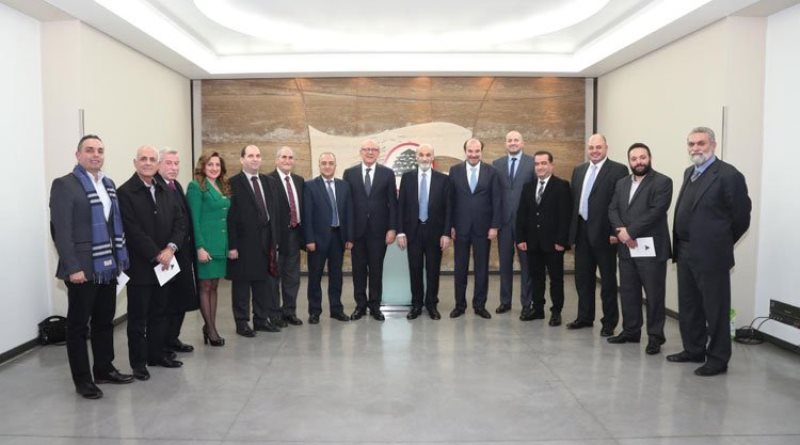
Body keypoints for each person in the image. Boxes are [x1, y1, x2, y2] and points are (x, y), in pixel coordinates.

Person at [49, 134, 134, 399]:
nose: (95, 154)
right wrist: (73, 266)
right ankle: (83, 380)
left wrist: (119, 259)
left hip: (107, 266)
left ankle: (104, 369)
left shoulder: (108, 184)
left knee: (104, 321)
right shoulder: (64, 184)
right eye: (89, 150)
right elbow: (61, 231)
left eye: (99, 150)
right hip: (83, 269)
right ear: (78, 155)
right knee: (78, 327)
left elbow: (113, 225)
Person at [668, 127, 751, 376]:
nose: (695, 148)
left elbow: (741, 218)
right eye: (691, 144)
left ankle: (718, 358)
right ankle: (694, 349)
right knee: (689, 305)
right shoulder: (689, 172)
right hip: (685, 251)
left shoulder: (728, 175)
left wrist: (720, 243)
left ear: (713, 145)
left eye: (701, 143)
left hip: (711, 255)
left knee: (715, 308)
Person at [118, 145, 187, 381]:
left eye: (152, 159)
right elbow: (132, 231)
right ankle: (138, 363)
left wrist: (171, 248)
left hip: (166, 265)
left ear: (157, 164)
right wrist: (158, 254)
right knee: (138, 319)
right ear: (135, 163)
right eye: (143, 159)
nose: (148, 163)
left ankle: (156, 355)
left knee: (161, 313)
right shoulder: (125, 192)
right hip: (141, 267)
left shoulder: (165, 189)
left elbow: (180, 222)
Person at [607, 143, 672, 354]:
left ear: (650, 158)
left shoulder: (662, 182)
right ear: (629, 161)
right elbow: (612, 209)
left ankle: (655, 337)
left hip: (651, 249)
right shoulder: (621, 183)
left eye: (642, 157)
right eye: (634, 159)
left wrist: (630, 232)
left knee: (654, 295)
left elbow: (656, 211)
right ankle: (631, 331)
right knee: (628, 292)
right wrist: (621, 232)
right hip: (626, 248)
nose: (638, 162)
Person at [567, 133, 628, 336]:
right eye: (591, 147)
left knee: (608, 281)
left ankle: (609, 322)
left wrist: (615, 231)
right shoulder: (579, 170)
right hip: (581, 233)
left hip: (605, 234)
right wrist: (572, 234)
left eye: (598, 147)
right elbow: (574, 203)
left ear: (606, 148)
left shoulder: (618, 170)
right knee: (583, 279)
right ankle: (584, 317)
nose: (594, 151)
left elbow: (620, 203)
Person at [227, 144, 283, 337]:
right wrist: (232, 246)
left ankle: (261, 320)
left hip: (266, 241)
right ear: (242, 159)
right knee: (242, 285)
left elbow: (274, 213)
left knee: (263, 284)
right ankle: (242, 323)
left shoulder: (269, 182)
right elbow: (230, 218)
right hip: (242, 243)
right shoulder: (232, 183)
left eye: (258, 155)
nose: (255, 159)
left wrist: (275, 240)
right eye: (250, 155)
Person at [343, 139, 398, 321]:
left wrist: (392, 228)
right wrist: (348, 234)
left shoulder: (387, 174)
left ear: (378, 153)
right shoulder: (349, 173)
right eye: (366, 149)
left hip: (379, 232)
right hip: (356, 232)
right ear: (361, 152)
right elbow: (346, 205)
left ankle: (375, 306)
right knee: (358, 271)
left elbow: (393, 203)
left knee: (376, 270)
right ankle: (360, 305)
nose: (370, 152)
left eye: (373, 149)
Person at [515, 151, 572, 326]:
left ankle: (556, 312)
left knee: (556, 279)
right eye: (537, 164)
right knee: (536, 278)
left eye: (544, 163)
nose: (540, 167)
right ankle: (538, 309)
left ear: (551, 165)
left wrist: (562, 241)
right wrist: (520, 238)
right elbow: (522, 215)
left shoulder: (562, 186)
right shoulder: (528, 187)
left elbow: (565, 216)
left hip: (554, 244)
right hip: (532, 243)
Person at [448, 138, 502, 319]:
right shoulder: (454, 171)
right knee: (460, 268)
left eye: (477, 151)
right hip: (460, 228)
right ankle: (459, 305)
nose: (473, 154)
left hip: (483, 229)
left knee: (482, 269)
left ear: (481, 152)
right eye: (470, 151)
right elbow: (450, 200)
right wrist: (450, 226)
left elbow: (497, 200)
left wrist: (494, 226)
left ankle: (479, 305)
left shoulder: (492, 172)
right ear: (465, 151)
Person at [397, 144, 451, 320]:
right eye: (421, 154)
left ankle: (431, 304)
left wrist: (446, 233)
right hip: (413, 232)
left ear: (433, 157)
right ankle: (416, 305)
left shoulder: (443, 179)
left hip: (435, 233)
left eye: (428, 155)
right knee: (415, 269)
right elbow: (401, 205)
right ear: (416, 157)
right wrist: (400, 232)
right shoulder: (407, 178)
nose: (425, 158)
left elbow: (448, 209)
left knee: (433, 270)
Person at [155, 149, 198, 355]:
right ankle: (161, 344)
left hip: (181, 254)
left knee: (181, 300)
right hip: (166, 256)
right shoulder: (156, 187)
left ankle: (172, 338)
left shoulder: (176, 186)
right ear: (159, 165)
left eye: (176, 163)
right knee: (166, 303)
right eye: (169, 163)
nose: (174, 167)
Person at [185, 152, 231, 346]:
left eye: (217, 165)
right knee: (205, 287)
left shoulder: (223, 186)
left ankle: (209, 325)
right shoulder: (196, 187)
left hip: (220, 245)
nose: (214, 168)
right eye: (210, 164)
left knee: (214, 286)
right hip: (205, 245)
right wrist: (199, 247)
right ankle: (211, 330)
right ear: (203, 166)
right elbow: (193, 220)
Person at [303, 152, 354, 323]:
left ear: (335, 166)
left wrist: (349, 237)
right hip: (317, 240)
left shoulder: (344, 186)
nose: (327, 166)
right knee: (315, 276)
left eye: (330, 163)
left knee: (336, 276)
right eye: (324, 163)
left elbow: (349, 213)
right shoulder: (310, 186)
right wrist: (309, 239)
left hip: (338, 237)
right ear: (319, 165)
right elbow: (307, 215)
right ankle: (314, 311)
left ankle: (336, 309)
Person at [493, 131, 534, 317]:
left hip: (525, 224)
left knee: (527, 265)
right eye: (509, 140)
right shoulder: (497, 164)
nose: (513, 143)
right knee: (505, 264)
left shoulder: (532, 163)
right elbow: (494, 195)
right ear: (505, 144)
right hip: (504, 223)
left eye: (516, 140)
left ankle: (527, 303)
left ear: (522, 143)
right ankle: (505, 301)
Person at [269, 146, 305, 326]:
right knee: (274, 278)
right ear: (276, 160)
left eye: (290, 158)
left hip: (294, 235)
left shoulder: (299, 180)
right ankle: (274, 314)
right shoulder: (268, 180)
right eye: (283, 157)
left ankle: (289, 312)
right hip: (276, 237)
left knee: (292, 277)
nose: (287, 160)